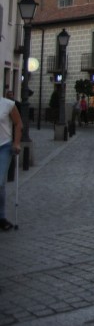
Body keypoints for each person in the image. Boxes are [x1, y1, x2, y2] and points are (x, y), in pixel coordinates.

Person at [1, 88, 24, 231]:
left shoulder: (8, 104)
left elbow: (18, 124)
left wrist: (16, 143)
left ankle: (1, 217)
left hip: (3, 146)